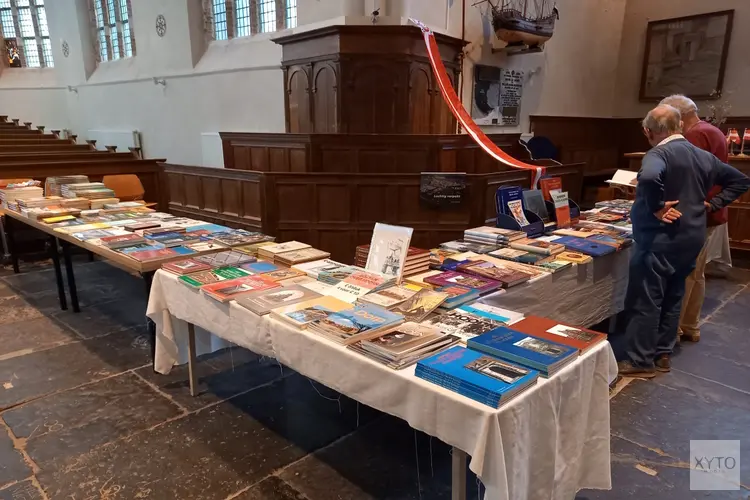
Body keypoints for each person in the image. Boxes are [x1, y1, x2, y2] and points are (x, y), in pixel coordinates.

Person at [614, 104, 750, 378]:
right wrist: (711, 204)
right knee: (674, 294)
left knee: (646, 298)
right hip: (691, 237)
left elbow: (651, 177)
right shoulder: (701, 155)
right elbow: (740, 180)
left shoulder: (658, 153)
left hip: (658, 239)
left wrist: (655, 207)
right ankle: (663, 352)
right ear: (679, 126)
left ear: (648, 131)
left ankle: (640, 361)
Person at [659, 95, 729, 343]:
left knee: (684, 273)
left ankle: (673, 329)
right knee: (697, 272)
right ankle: (690, 325)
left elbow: (687, 180)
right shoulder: (713, 131)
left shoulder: (694, 136)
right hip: (707, 212)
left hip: (692, 214)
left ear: (678, 116)